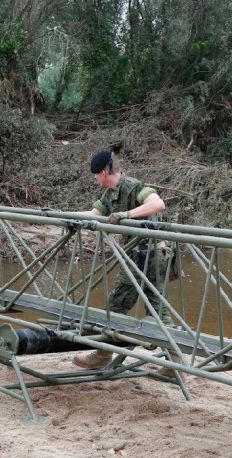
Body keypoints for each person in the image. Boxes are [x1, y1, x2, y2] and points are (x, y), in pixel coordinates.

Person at [72, 149, 175, 370]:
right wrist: (64, 215)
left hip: (148, 255)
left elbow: (158, 204)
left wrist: (126, 215)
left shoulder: (133, 186)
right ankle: (174, 361)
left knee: (116, 305)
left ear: (103, 172)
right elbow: (93, 215)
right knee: (158, 309)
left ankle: (103, 354)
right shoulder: (110, 194)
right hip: (142, 255)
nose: (95, 179)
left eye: (95, 175)